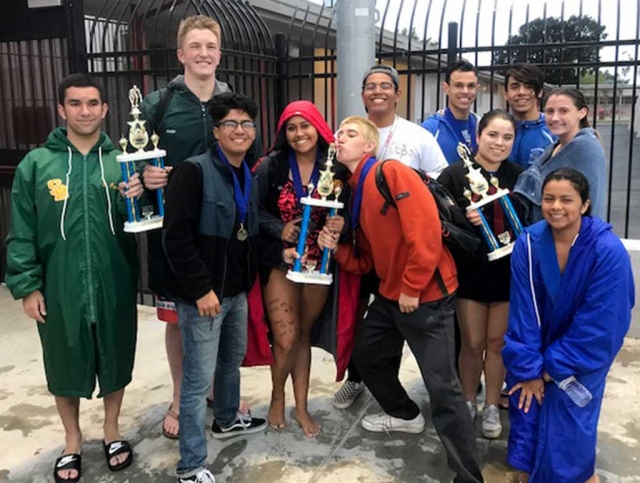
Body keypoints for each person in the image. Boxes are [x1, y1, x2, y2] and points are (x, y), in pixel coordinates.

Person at [320, 116, 484, 483]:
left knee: (443, 390)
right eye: (338, 133)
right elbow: (365, 259)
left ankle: (469, 477)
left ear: (369, 146)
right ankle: (406, 414)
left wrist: (412, 287)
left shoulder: (391, 172)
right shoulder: (352, 190)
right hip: (391, 295)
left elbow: (425, 234)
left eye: (349, 133)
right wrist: (335, 249)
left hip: (426, 297)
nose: (338, 138)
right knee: (365, 356)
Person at [5, 73, 142, 483]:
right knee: (64, 359)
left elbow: (145, 219)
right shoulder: (37, 165)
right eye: (76, 104)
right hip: (59, 284)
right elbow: (21, 229)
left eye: (92, 103)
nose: (85, 111)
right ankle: (71, 440)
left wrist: (145, 192)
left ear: (105, 109)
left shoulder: (122, 161)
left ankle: (112, 429)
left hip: (113, 278)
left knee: (115, 353)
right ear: (62, 110)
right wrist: (27, 284)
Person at [140, 15, 260, 439]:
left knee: (224, 320)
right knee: (179, 320)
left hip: (227, 237)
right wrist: (143, 180)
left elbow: (254, 164)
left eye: (210, 46)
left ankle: (218, 395)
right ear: (180, 54)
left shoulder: (235, 103)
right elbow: (132, 171)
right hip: (179, 237)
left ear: (219, 53)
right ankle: (179, 396)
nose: (203, 53)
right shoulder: (158, 105)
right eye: (195, 46)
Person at [163, 92, 268, 483]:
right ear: (216, 130)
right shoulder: (194, 171)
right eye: (230, 124)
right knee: (195, 381)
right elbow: (176, 239)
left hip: (237, 290)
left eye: (246, 124)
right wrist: (200, 289)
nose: (239, 131)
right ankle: (190, 465)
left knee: (230, 362)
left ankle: (226, 419)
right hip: (205, 296)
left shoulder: (246, 172)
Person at [503, 168, 633, 483]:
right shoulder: (529, 243)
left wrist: (551, 368)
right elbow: (524, 311)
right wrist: (531, 369)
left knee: (569, 412)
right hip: (536, 348)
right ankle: (533, 470)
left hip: (582, 354)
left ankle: (580, 477)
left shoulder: (607, 251)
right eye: (549, 199)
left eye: (566, 199)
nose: (556, 207)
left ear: (585, 205)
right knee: (526, 397)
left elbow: (602, 323)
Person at [332, 63, 448, 410]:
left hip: (404, 247)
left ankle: (401, 392)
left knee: (396, 321)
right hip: (364, 243)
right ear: (363, 94)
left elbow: (439, 182)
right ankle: (357, 379)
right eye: (371, 86)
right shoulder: (348, 132)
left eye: (386, 85)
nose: (378, 91)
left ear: (398, 94)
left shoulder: (417, 136)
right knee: (360, 320)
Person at [254, 100, 346, 437]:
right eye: (291, 128)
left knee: (303, 335)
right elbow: (254, 214)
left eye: (304, 126)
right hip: (284, 262)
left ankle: (302, 406)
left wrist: (342, 222)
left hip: (320, 266)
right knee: (287, 337)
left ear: (318, 127)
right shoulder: (271, 166)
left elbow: (350, 212)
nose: (298, 134)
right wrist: (281, 231)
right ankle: (277, 396)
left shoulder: (336, 167)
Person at [438, 110, 524, 439]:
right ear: (478, 136)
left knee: (497, 342)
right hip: (470, 273)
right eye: (492, 135)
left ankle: (491, 405)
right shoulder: (454, 174)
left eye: (507, 137)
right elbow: (439, 220)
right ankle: (467, 400)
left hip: (507, 274)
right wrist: (463, 218)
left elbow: (530, 222)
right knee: (472, 343)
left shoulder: (520, 176)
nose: (498, 143)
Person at [513, 87, 607, 224]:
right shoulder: (555, 147)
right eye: (550, 111)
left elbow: (591, 201)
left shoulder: (585, 147)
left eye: (563, 111)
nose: (555, 118)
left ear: (582, 112)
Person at [421, 59, 480, 164]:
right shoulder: (431, 129)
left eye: (470, 86)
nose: (465, 91)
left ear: (477, 89)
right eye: (459, 85)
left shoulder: (481, 125)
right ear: (446, 88)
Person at [503, 64, 555, 168]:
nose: (521, 92)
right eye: (515, 87)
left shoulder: (554, 131)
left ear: (539, 92)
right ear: (506, 94)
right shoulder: (497, 130)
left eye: (528, 87)